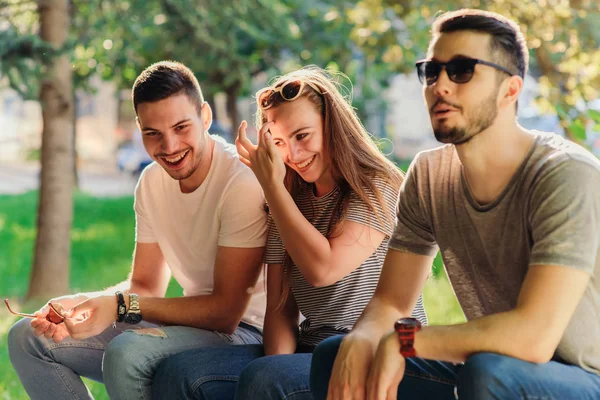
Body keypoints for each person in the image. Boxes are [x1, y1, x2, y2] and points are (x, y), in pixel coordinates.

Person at [310, 8, 600, 400]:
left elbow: (535, 337)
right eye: (432, 71)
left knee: (488, 373)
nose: (440, 86)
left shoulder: (564, 173)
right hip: (492, 368)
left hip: (584, 378)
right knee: (338, 355)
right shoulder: (429, 173)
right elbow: (391, 302)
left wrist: (404, 342)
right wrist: (362, 339)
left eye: (462, 70)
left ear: (510, 90)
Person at [150, 66, 427, 399]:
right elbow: (280, 309)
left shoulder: (376, 188)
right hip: (310, 349)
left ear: (332, 126)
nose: (293, 155)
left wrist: (272, 187)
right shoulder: (290, 201)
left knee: (267, 379)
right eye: (278, 142)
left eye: (302, 135)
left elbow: (323, 269)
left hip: (376, 350)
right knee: (178, 374)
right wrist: (275, 367)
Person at [7, 61, 268, 400]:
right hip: (195, 326)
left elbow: (226, 312)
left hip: (249, 334)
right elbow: (145, 285)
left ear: (205, 116)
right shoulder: (151, 182)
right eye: (153, 133)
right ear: (139, 128)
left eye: (181, 127)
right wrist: (85, 303)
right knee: (28, 337)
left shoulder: (240, 181)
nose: (170, 146)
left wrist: (118, 305)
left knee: (128, 353)